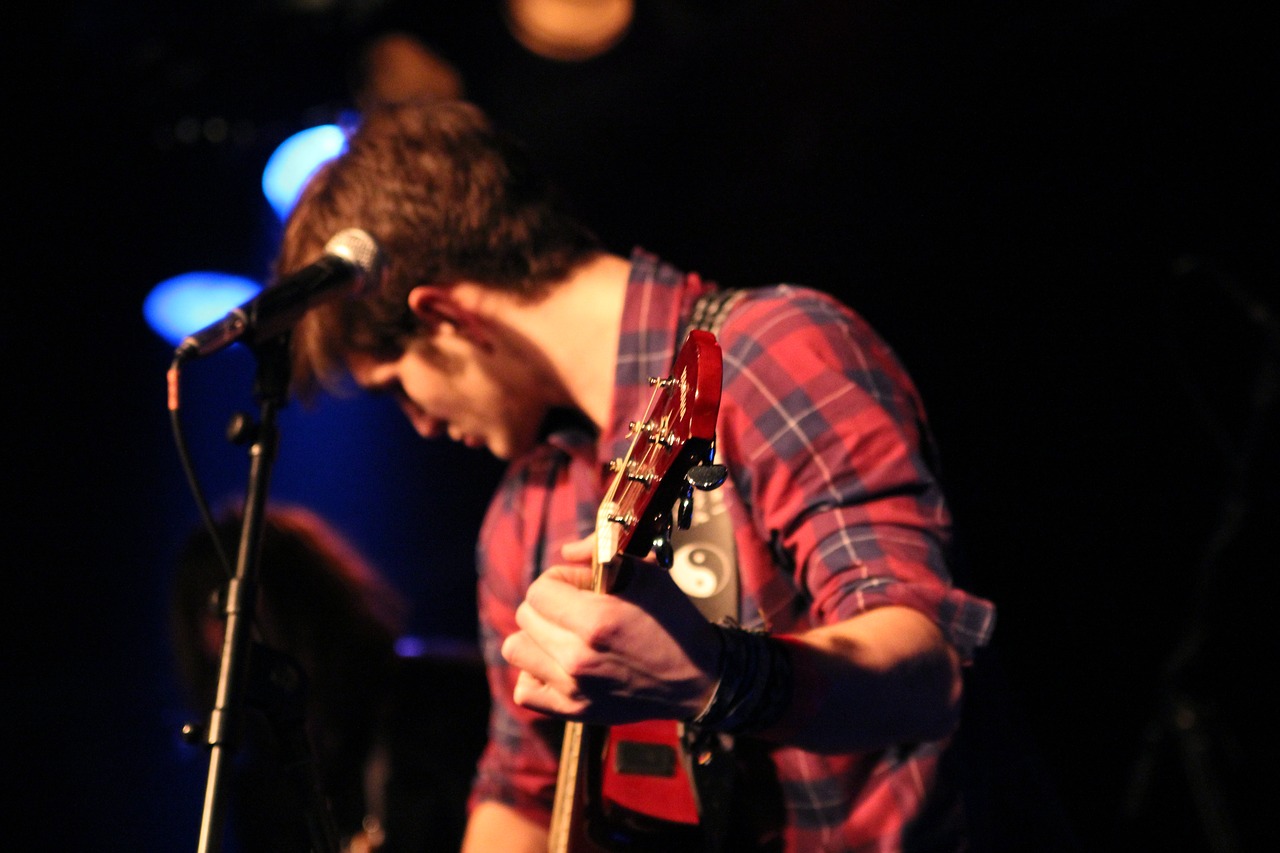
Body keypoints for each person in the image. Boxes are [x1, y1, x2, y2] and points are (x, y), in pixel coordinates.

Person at [272, 99, 996, 851]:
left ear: (448, 317)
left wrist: (721, 676)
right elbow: (520, 789)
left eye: (397, 383)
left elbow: (928, 667)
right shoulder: (528, 512)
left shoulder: (770, 351)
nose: (419, 424)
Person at [171, 503, 489, 852]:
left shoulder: (441, 696)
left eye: (228, 605)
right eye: (207, 611)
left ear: (297, 599)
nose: (219, 634)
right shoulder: (259, 778)